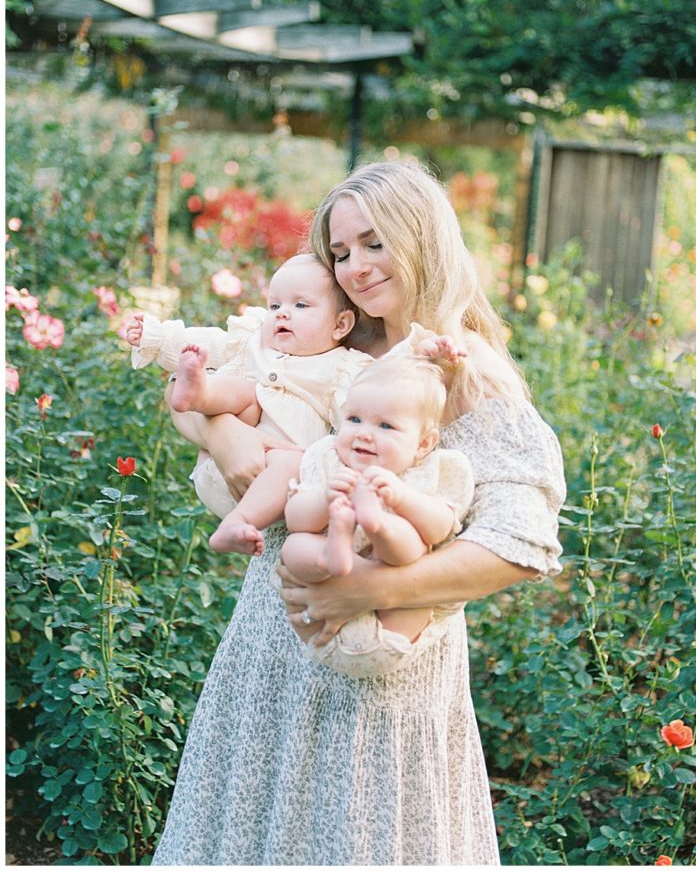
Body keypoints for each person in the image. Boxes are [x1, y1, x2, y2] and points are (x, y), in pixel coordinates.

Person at [152, 160, 565, 866]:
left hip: (382, 677)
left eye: (375, 243)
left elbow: (517, 544)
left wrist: (366, 589)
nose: (355, 268)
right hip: (272, 648)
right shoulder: (332, 340)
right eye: (340, 252)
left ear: (422, 238)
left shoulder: (465, 377)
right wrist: (224, 439)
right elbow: (201, 393)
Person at [126, 253, 373, 552]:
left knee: (296, 461)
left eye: (301, 305)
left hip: (278, 487)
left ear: (340, 324)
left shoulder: (341, 370)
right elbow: (203, 342)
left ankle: (238, 522)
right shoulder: (253, 340)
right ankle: (200, 393)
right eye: (275, 305)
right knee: (247, 393)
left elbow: (362, 411)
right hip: (217, 464)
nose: (282, 313)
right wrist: (156, 336)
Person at [282, 353, 474, 676]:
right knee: (295, 545)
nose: (364, 433)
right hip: (321, 611)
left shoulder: (431, 472)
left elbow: (441, 528)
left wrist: (400, 499)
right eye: (354, 419)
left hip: (392, 625)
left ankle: (378, 524)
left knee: (414, 544)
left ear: (424, 444)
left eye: (386, 426)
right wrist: (324, 501)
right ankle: (333, 552)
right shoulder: (330, 461)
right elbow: (295, 518)